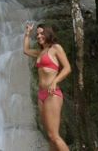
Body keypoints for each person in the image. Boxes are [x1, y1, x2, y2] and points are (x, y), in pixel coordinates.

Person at [23, 23, 71, 151]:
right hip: (42, 95)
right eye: (37, 34)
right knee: (49, 137)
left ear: (48, 33)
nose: (39, 36)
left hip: (52, 94)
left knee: (54, 136)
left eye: (41, 33)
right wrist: (27, 33)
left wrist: (55, 81)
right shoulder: (40, 52)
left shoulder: (56, 48)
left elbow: (67, 68)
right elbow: (26, 50)